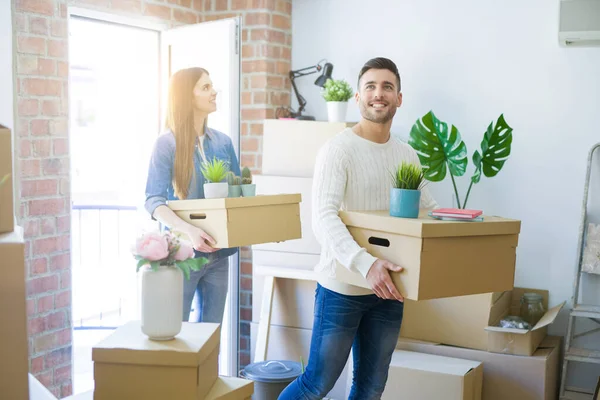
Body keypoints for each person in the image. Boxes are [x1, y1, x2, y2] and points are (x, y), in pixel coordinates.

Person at [278, 57, 439, 400]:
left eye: (387, 87)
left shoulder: (407, 155)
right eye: (370, 86)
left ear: (399, 98)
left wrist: (463, 224)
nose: (378, 94)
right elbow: (323, 217)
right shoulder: (338, 150)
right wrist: (367, 265)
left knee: (370, 388)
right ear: (357, 97)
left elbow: (429, 210)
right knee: (316, 384)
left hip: (389, 292)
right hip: (343, 289)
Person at [144, 67, 241, 324]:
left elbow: (237, 194)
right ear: (187, 97)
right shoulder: (167, 144)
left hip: (220, 255)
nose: (214, 91)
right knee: (177, 335)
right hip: (182, 257)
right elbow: (153, 200)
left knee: (211, 338)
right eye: (205, 87)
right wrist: (189, 231)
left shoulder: (223, 143)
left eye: (212, 86)